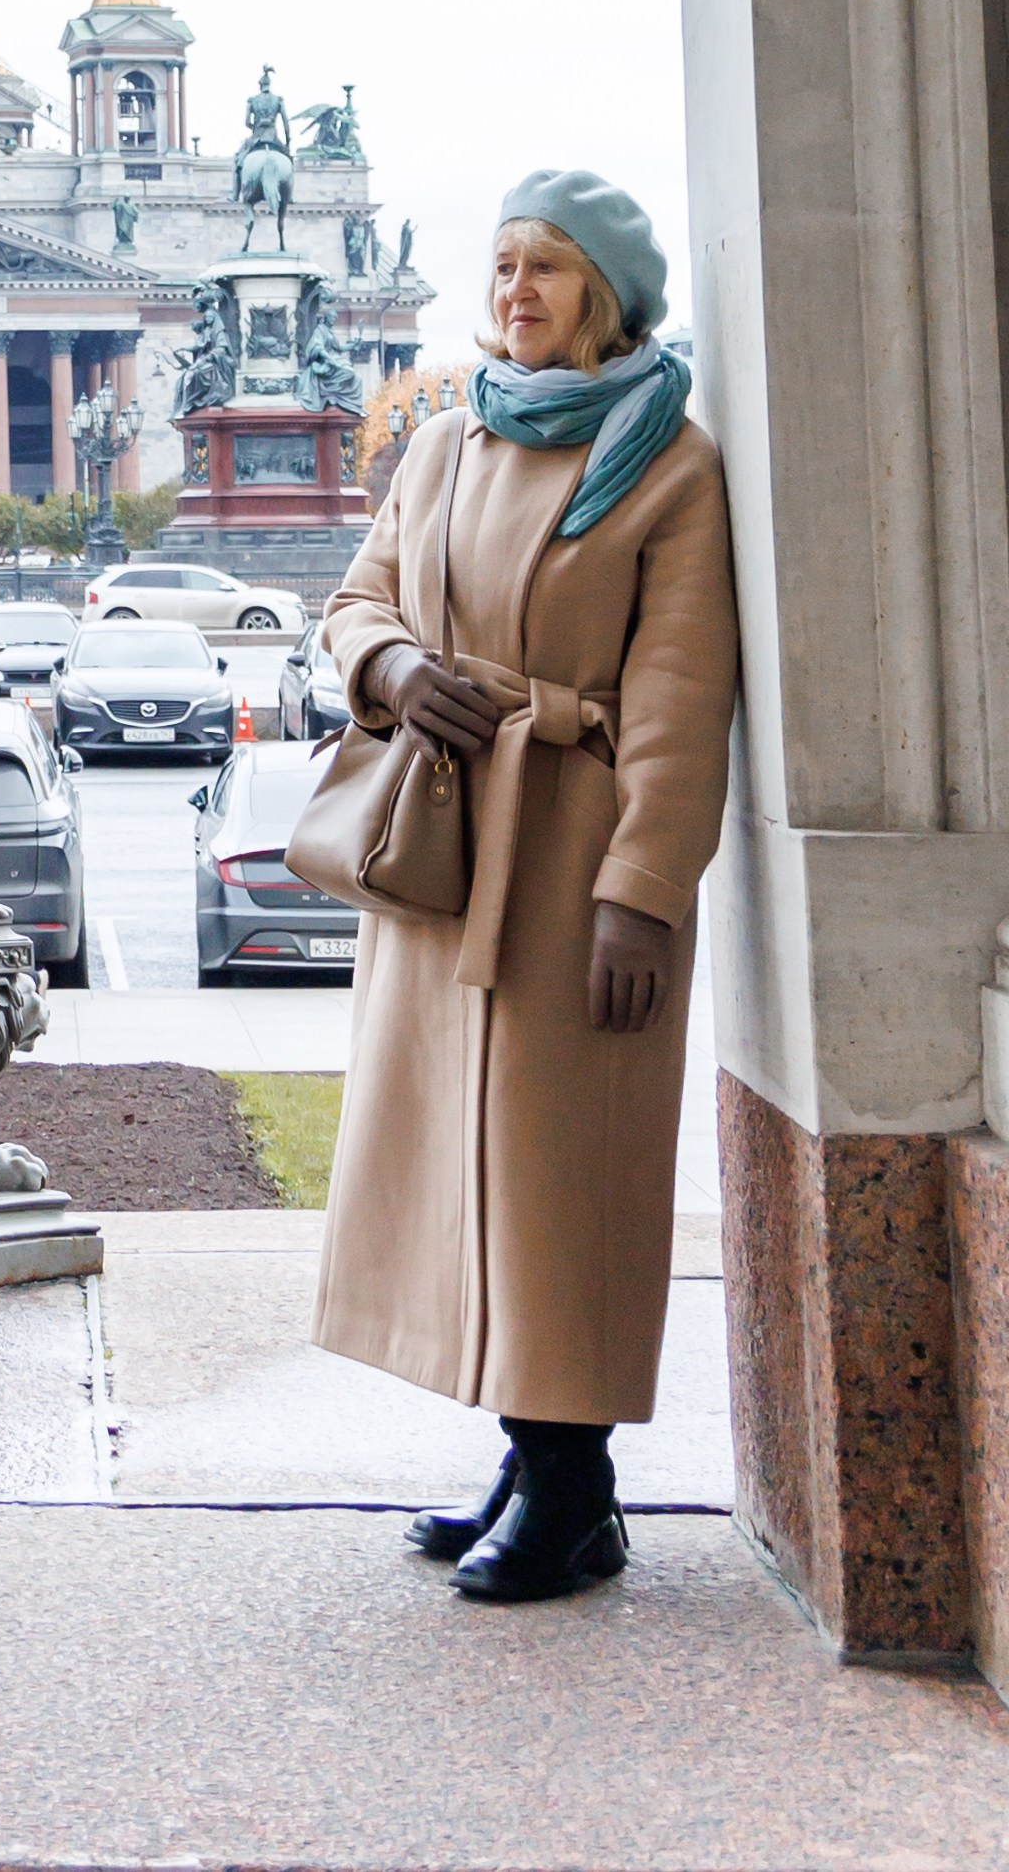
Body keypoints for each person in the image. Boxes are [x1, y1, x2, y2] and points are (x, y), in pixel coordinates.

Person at [314, 167, 737, 1604]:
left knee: (564, 1177)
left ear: (602, 295)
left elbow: (679, 702)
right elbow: (353, 601)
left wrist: (642, 891)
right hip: (448, 846)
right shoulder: (438, 440)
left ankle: (572, 1484)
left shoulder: (668, 465)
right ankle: (528, 1455)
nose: (512, 292)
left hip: (568, 855)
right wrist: (390, 669)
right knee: (471, 1169)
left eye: (544, 268)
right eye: (498, 266)